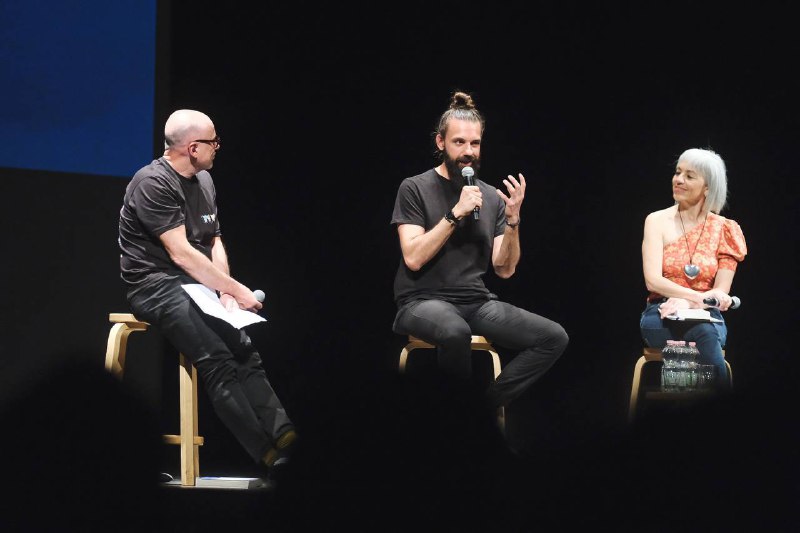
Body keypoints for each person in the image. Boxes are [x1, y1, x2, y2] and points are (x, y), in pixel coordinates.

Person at [118, 109, 296, 480]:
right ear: (193, 147)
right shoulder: (152, 183)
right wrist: (236, 290)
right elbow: (180, 253)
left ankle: (288, 441)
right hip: (154, 283)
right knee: (217, 358)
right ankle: (267, 458)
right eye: (214, 141)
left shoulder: (205, 181)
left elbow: (213, 240)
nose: (219, 147)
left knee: (244, 347)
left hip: (195, 282)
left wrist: (226, 292)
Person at [390, 90, 569, 415]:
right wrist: (455, 214)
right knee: (454, 332)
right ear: (441, 142)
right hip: (421, 301)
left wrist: (513, 222)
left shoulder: (490, 197)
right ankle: (456, 427)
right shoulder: (414, 187)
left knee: (553, 337)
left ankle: (477, 411)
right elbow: (413, 257)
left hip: (475, 302)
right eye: (459, 143)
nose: (468, 152)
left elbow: (505, 269)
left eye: (475, 144)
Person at [640, 147, 747, 389]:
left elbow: (720, 292)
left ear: (708, 187)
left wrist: (690, 303)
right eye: (678, 172)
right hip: (661, 315)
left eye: (689, 176)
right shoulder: (656, 221)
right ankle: (724, 409)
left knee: (704, 330)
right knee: (704, 333)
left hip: (708, 317)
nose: (678, 180)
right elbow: (653, 281)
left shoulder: (725, 229)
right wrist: (697, 297)